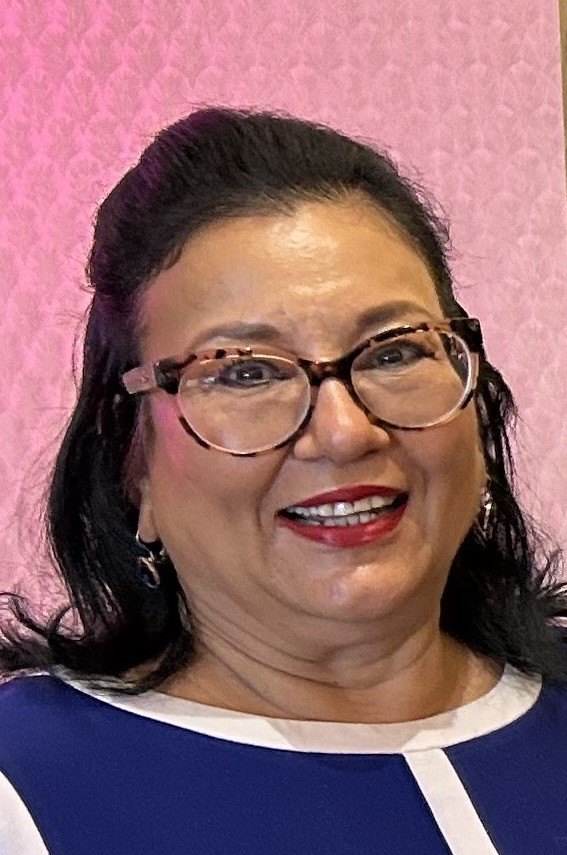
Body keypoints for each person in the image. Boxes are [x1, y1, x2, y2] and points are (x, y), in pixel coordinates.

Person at [0, 108, 566, 855]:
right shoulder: (26, 784)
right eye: (244, 373)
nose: (345, 432)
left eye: (394, 352)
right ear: (133, 464)